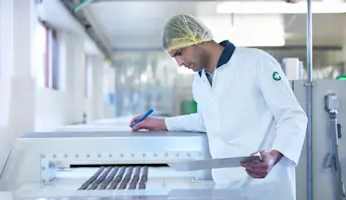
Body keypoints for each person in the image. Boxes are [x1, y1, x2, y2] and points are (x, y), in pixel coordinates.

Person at [129, 14, 308, 200]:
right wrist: (160, 123)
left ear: (195, 39)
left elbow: (292, 116)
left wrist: (273, 156)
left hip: (266, 186)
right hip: (226, 187)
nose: (179, 63)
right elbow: (207, 119)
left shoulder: (256, 62)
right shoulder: (200, 81)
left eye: (179, 53)